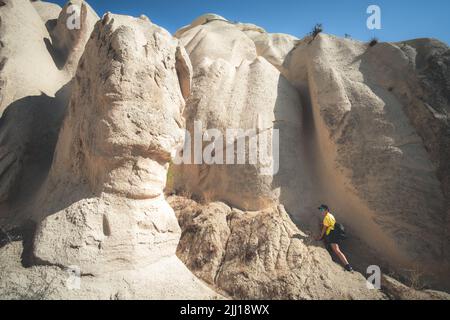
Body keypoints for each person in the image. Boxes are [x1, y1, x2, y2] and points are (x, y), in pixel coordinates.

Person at [315, 204, 353, 272]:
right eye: (320, 210)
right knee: (334, 248)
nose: (321, 211)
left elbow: (324, 229)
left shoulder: (326, 217)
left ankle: (348, 266)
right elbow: (330, 224)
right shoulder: (330, 215)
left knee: (337, 251)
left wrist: (320, 236)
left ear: (326, 210)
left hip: (332, 235)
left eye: (322, 210)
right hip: (334, 233)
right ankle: (330, 250)